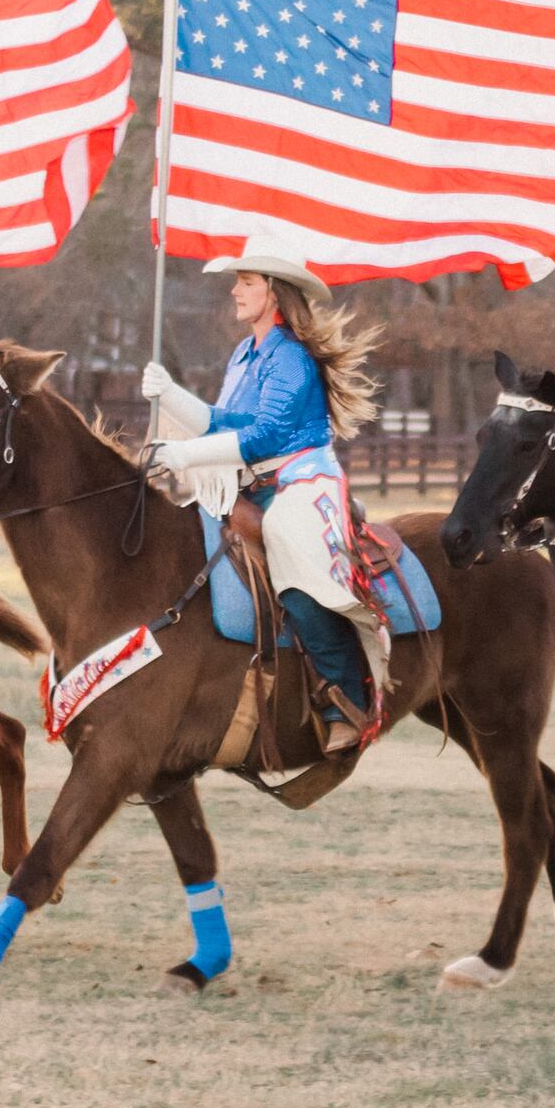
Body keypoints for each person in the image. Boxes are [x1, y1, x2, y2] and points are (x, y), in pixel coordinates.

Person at [143, 240, 390, 741]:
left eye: (247, 282)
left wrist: (185, 455)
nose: (235, 291)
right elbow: (226, 421)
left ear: (274, 293)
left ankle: (348, 701)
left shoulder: (292, 358)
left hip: (300, 481)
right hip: (253, 481)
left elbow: (265, 437)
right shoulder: (246, 351)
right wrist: (170, 395)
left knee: (294, 570)